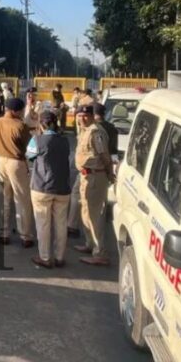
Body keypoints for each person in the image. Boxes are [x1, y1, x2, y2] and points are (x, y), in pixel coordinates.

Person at [25, 111, 71, 268]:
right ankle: (60, 257)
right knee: (61, 223)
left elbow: (29, 156)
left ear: (41, 124)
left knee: (43, 224)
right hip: (63, 187)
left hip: (42, 187)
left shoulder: (37, 140)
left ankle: (44, 257)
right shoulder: (65, 141)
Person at [0, 98, 34, 247]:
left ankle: (4, 232)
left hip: (0, 160)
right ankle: (25, 235)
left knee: (4, 198)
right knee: (22, 199)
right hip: (16, 162)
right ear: (16, 111)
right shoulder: (20, 125)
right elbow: (29, 146)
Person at [73, 105, 112, 266]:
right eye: (79, 115)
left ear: (92, 116)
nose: (82, 118)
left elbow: (104, 155)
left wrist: (109, 173)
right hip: (86, 175)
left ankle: (100, 252)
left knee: (95, 215)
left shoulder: (96, 132)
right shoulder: (85, 130)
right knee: (85, 212)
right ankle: (90, 243)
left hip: (96, 176)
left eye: (85, 116)